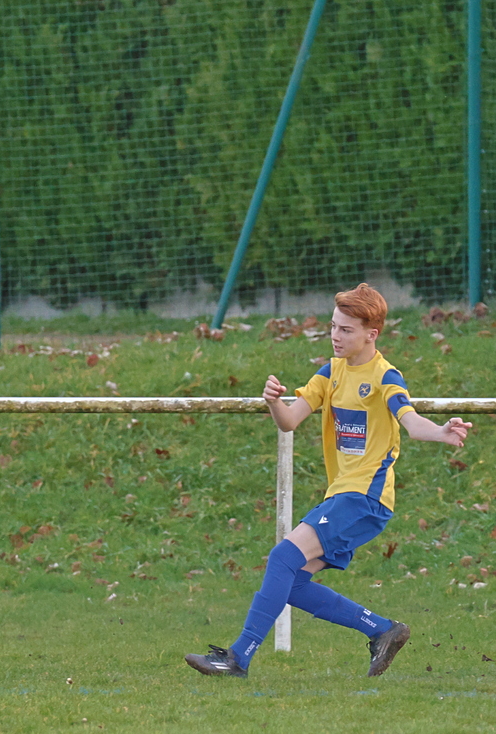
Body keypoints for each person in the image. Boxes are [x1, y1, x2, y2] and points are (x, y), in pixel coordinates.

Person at [186, 283, 472, 678]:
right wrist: (274, 401)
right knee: (291, 582)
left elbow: (411, 422)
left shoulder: (386, 376)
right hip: (343, 496)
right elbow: (289, 422)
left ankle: (238, 658)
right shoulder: (330, 372)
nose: (336, 336)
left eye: (346, 330)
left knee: (282, 558)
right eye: (333, 326)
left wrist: (441, 432)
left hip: (365, 497)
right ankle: (383, 630)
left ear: (371, 334)